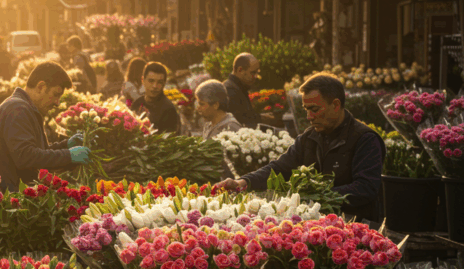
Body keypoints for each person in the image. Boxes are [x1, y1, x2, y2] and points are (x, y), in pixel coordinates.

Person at [216, 73, 386, 221]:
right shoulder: (309, 137)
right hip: (318, 224)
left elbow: (365, 188)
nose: (309, 116)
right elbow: (279, 168)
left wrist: (314, 197)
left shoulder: (365, 139)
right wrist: (242, 182)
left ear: (335, 105)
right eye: (306, 109)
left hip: (356, 226)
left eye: (314, 109)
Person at [0, 61, 92, 191]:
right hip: (1, 196)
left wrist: (66, 145)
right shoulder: (17, 109)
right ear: (41, 87)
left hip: (10, 194)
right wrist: (69, 155)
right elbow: (25, 157)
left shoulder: (26, 108)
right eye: (55, 95)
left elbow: (39, 152)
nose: (57, 103)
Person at [131, 62, 180, 134]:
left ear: (164, 84)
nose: (155, 86)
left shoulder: (168, 110)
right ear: (143, 80)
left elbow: (168, 138)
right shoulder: (137, 103)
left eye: (159, 82)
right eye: (151, 81)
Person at [224, 52, 261, 127]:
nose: (256, 76)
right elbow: (242, 122)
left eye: (257, 72)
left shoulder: (239, 87)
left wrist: (261, 117)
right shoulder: (230, 90)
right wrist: (261, 118)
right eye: (253, 72)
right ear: (240, 70)